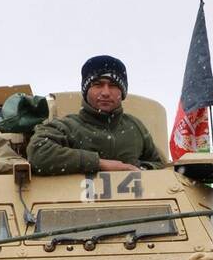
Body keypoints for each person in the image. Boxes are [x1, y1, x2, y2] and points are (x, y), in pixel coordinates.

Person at [27, 55, 167, 176]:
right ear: (86, 90)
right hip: (78, 203)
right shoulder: (67, 126)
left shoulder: (135, 128)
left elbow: (158, 164)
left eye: (112, 85)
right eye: (98, 85)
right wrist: (99, 163)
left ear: (122, 93)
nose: (105, 92)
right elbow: (38, 152)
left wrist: (140, 169)